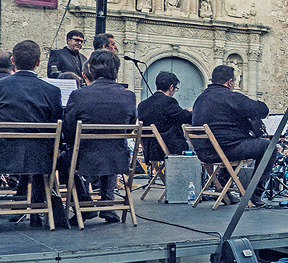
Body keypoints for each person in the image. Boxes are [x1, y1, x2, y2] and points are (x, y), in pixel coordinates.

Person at [60, 50, 137, 223]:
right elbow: (129, 128)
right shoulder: (129, 96)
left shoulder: (79, 95)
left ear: (89, 69)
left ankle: (84, 203)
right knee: (110, 146)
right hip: (119, 158)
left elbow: (69, 128)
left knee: (63, 159)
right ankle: (107, 204)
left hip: (86, 157)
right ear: (116, 70)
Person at [0, 40, 63, 227]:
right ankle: (37, 210)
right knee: (43, 148)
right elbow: (56, 124)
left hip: (4, 155)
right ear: (38, 63)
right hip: (40, 159)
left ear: (13, 61)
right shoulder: (52, 90)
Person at [191, 64, 271, 206]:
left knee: (231, 143)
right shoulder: (231, 97)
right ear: (230, 82)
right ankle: (255, 194)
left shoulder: (200, 99)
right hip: (226, 150)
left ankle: (222, 188)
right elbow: (262, 110)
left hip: (204, 152)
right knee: (269, 147)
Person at [137, 71, 191, 161]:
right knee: (194, 147)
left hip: (149, 151)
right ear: (171, 87)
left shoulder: (142, 105)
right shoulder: (169, 102)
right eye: (175, 88)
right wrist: (189, 111)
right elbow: (187, 118)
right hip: (167, 149)